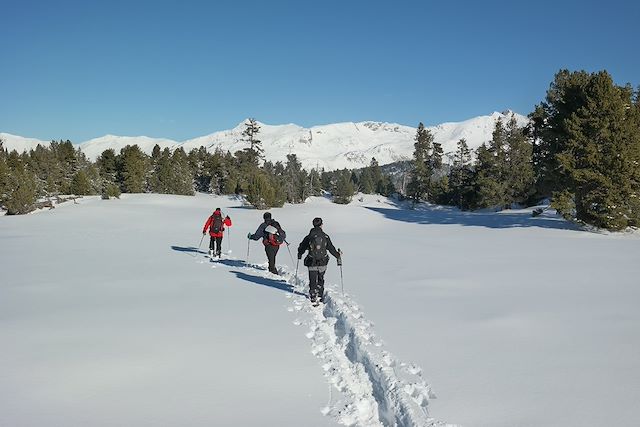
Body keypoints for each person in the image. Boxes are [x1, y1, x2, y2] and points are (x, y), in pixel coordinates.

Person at [297, 217, 341, 305]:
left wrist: (300, 254)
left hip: (311, 261)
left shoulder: (309, 236)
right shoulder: (325, 236)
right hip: (323, 261)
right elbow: (331, 248)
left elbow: (302, 247)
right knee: (321, 278)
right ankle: (320, 294)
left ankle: (313, 295)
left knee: (312, 279)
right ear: (321, 225)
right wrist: (338, 255)